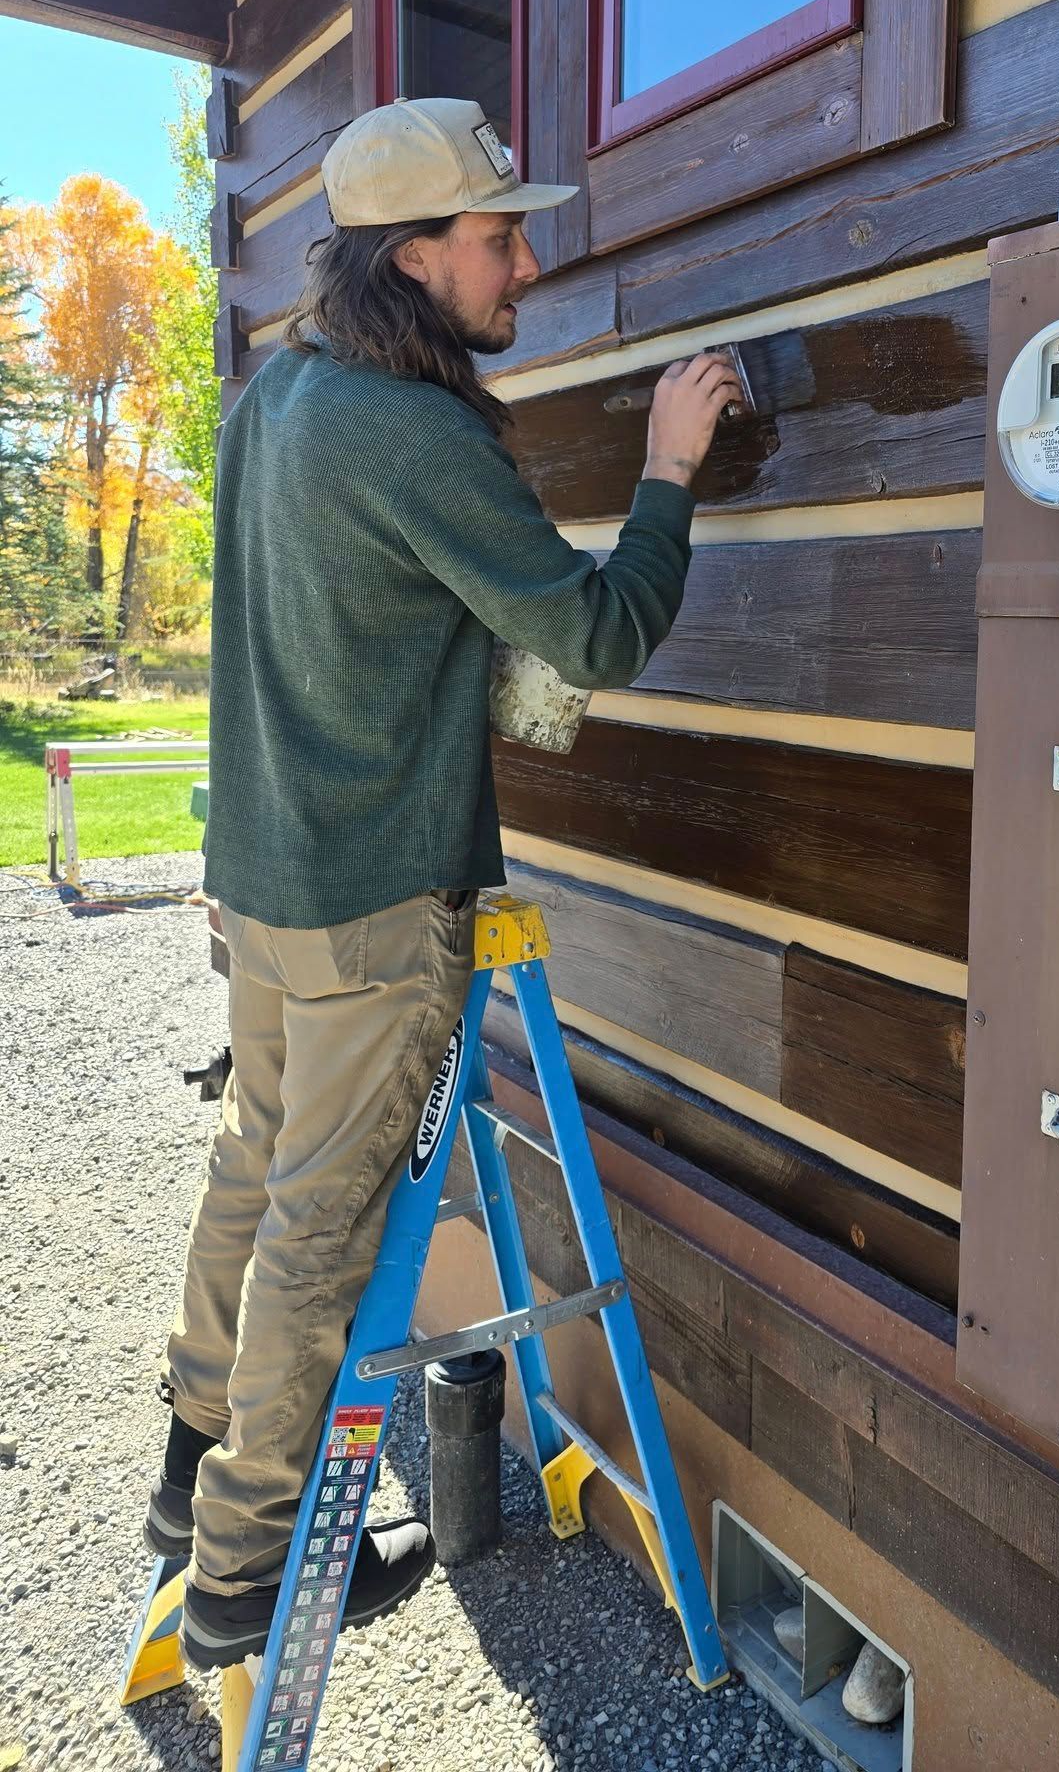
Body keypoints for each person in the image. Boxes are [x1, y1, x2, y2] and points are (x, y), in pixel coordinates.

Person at [146, 96, 742, 1670]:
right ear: (411, 258)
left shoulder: (280, 399)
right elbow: (601, 635)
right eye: (498, 237)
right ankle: (248, 1572)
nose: (524, 262)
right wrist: (672, 468)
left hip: (268, 877)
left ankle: (180, 1479)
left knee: (249, 1171)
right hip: (370, 907)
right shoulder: (412, 434)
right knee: (321, 1232)